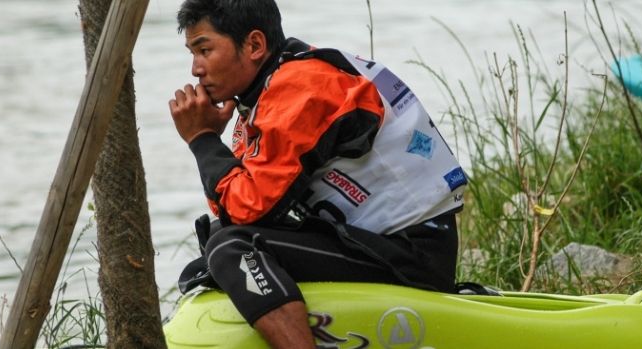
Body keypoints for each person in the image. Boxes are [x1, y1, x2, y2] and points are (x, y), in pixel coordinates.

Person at [168, 0, 467, 347]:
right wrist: (209, 140)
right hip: (385, 243)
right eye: (192, 53)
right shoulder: (274, 88)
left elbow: (247, 208)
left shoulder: (300, 87)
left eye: (204, 50)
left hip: (413, 255)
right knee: (215, 243)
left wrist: (203, 140)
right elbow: (232, 205)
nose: (195, 69)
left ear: (254, 45)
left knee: (231, 248)